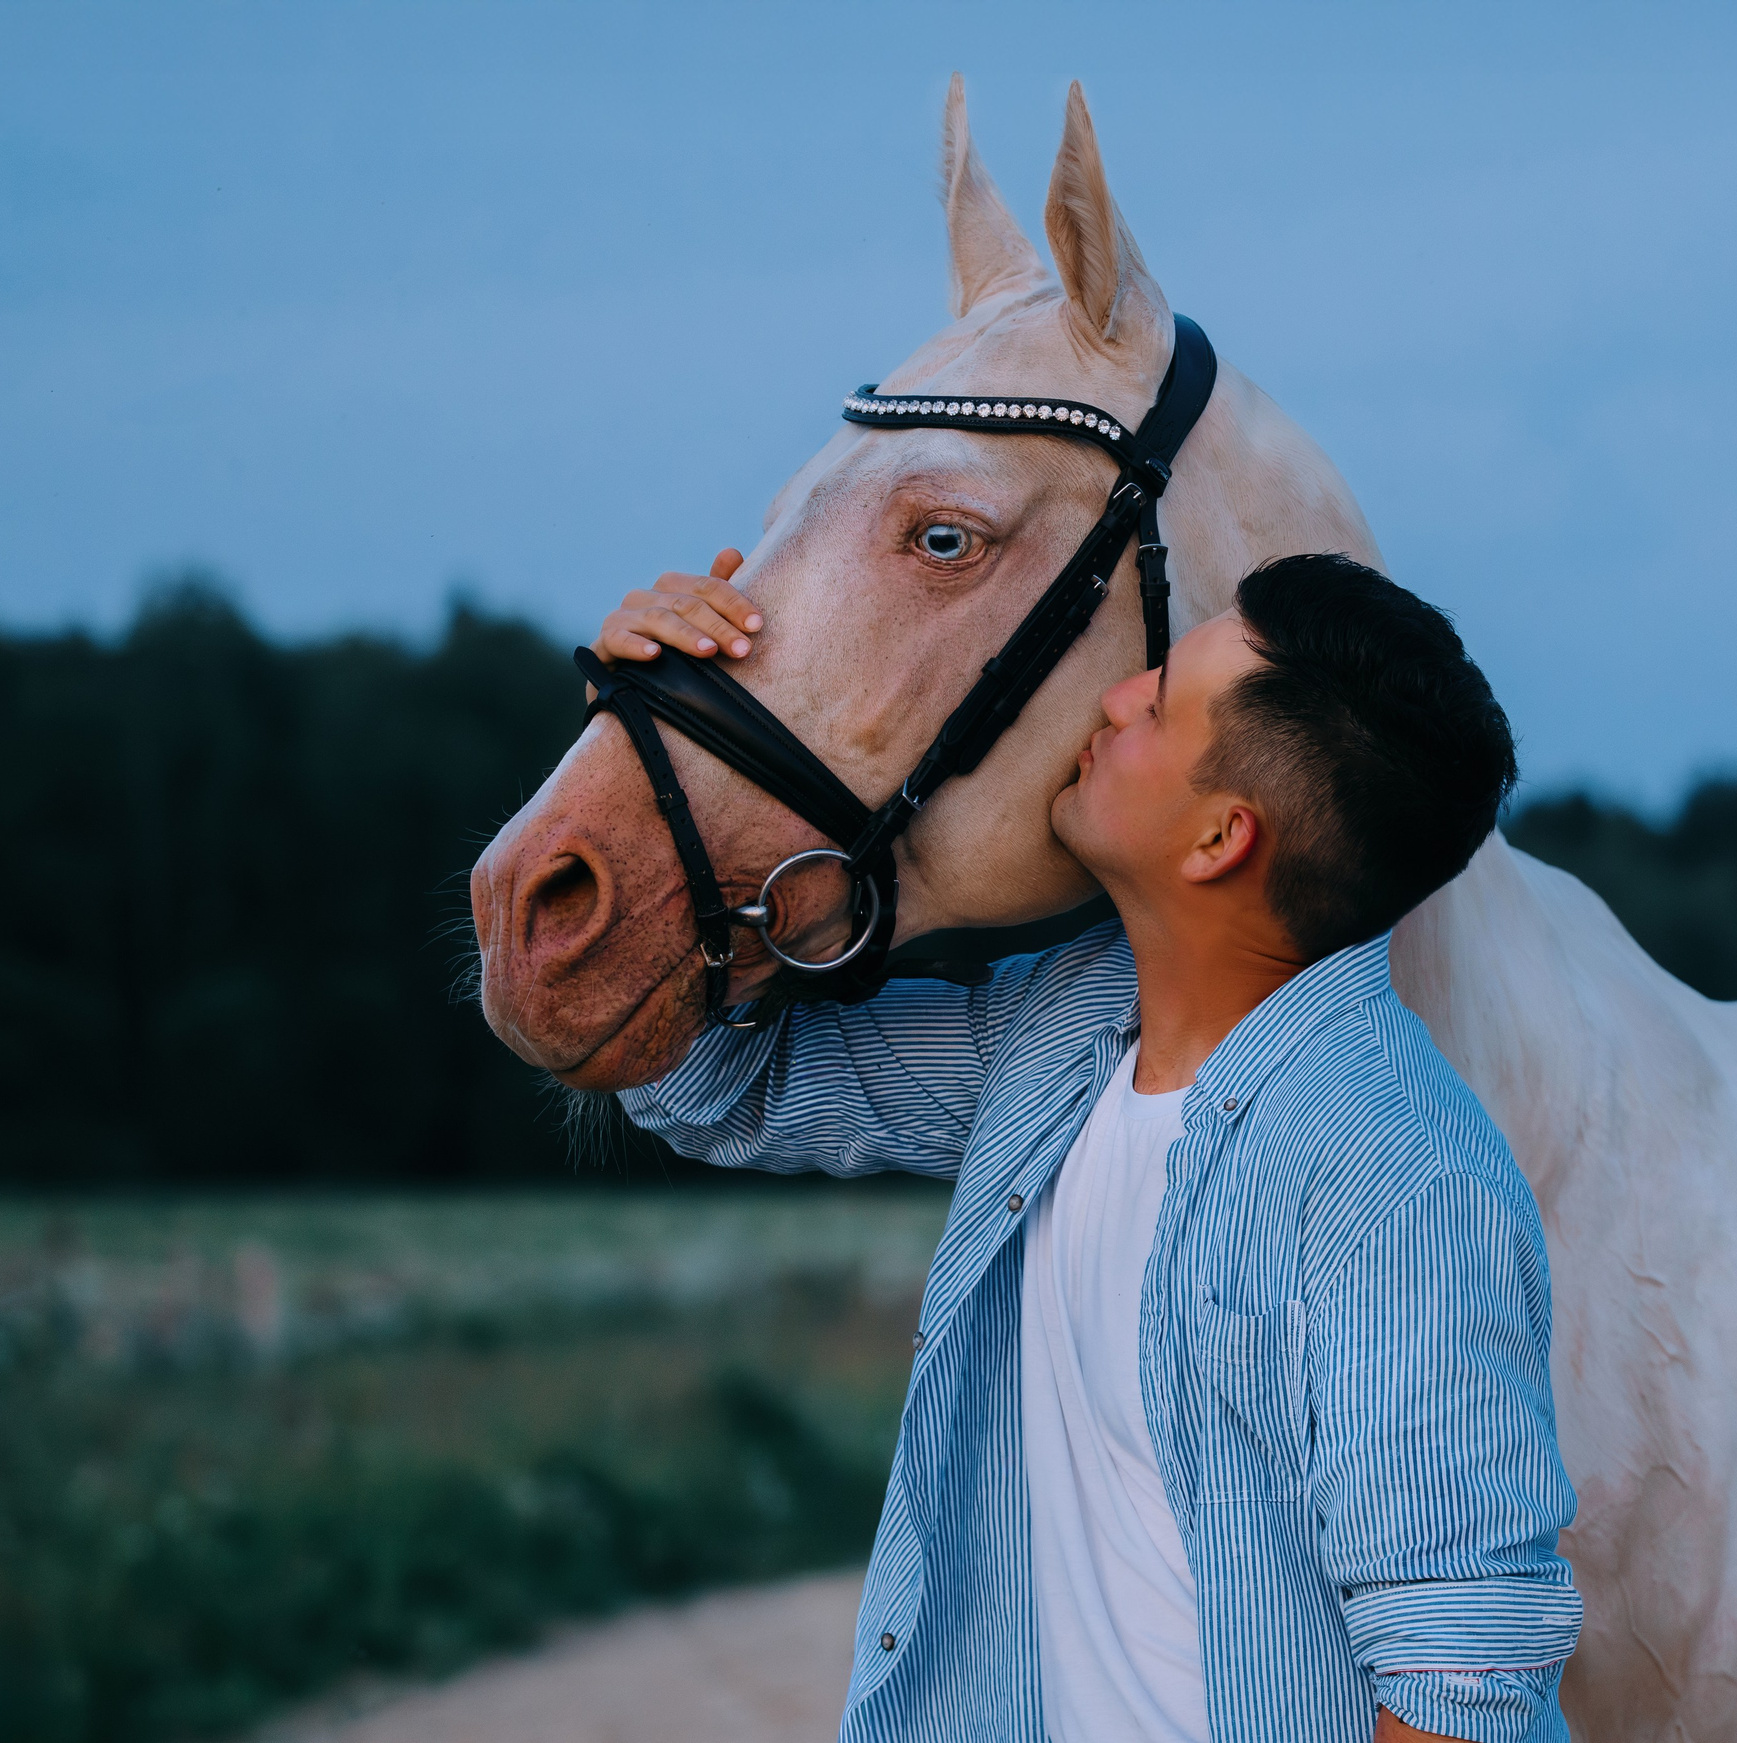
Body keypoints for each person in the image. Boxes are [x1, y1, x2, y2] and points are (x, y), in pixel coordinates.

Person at [594, 551, 1580, 1743]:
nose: (1112, 699)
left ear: (1219, 837)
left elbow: (1461, 1678)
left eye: (1157, 704)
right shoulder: (1059, 1031)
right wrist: (663, 728)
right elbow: (708, 1080)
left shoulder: (1396, 1178)